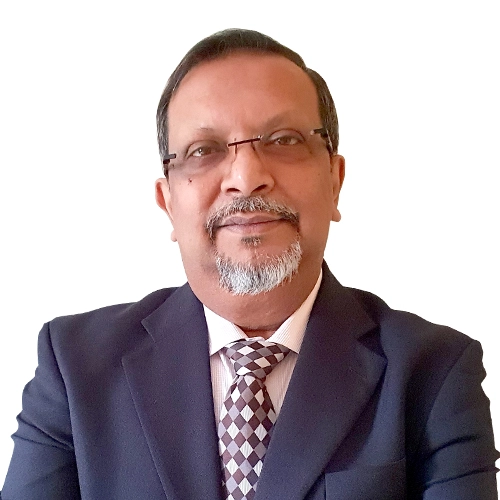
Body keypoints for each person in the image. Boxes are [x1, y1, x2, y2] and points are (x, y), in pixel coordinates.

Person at [1, 28, 498, 500]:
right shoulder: (75, 368)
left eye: (284, 140)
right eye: (204, 150)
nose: (246, 176)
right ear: (168, 202)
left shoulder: (433, 373)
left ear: (335, 181)